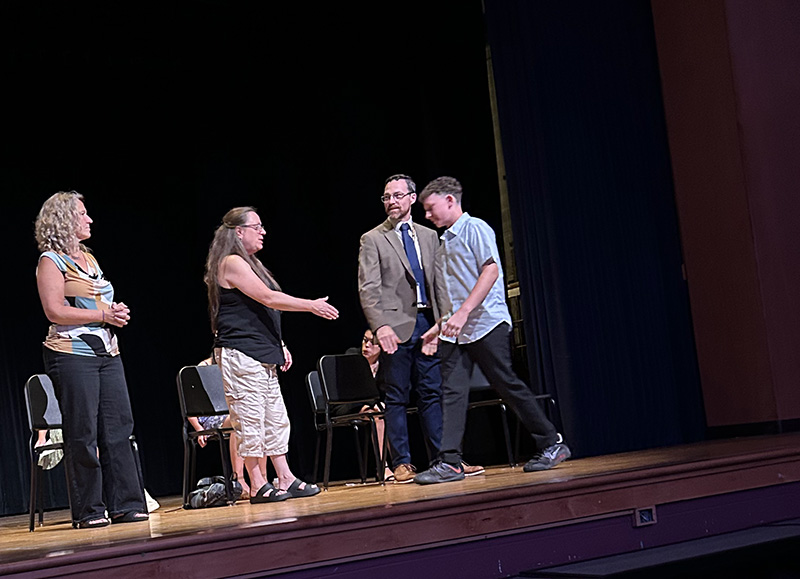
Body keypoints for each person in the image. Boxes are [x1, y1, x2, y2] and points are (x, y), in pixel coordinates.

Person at [415, 177, 571, 484]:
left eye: (431, 208)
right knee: (452, 392)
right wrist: (440, 324)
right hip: (456, 329)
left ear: (450, 201)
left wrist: (462, 313)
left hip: (486, 323)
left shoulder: (476, 229)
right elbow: (454, 292)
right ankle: (450, 462)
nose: (427, 215)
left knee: (506, 384)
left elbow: (491, 270)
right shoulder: (444, 242)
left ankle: (552, 443)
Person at [205, 206, 338, 503]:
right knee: (251, 420)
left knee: (275, 419)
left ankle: (285, 476)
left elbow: (260, 311)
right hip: (241, 354)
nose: (263, 232)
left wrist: (279, 344)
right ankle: (257, 483)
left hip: (262, 353)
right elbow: (268, 298)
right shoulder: (231, 262)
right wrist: (310, 305)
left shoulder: (250, 263)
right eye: (257, 226)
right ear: (239, 232)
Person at [35, 190, 148, 527]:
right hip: (71, 355)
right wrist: (103, 314)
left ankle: (126, 504)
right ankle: (90, 510)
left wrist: (113, 312)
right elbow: (54, 310)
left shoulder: (89, 259)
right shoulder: (50, 262)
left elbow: (94, 303)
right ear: (65, 220)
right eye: (82, 214)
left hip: (106, 352)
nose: (89, 219)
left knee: (118, 429)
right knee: (83, 431)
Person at [358, 174, 444, 483]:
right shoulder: (373, 238)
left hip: (428, 324)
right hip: (394, 327)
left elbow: (439, 283)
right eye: (386, 197)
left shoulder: (430, 236)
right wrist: (380, 326)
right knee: (395, 396)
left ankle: (442, 460)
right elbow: (368, 288)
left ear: (411, 198)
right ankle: (402, 463)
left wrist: (442, 322)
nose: (391, 201)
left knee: (432, 393)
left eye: (397, 196)